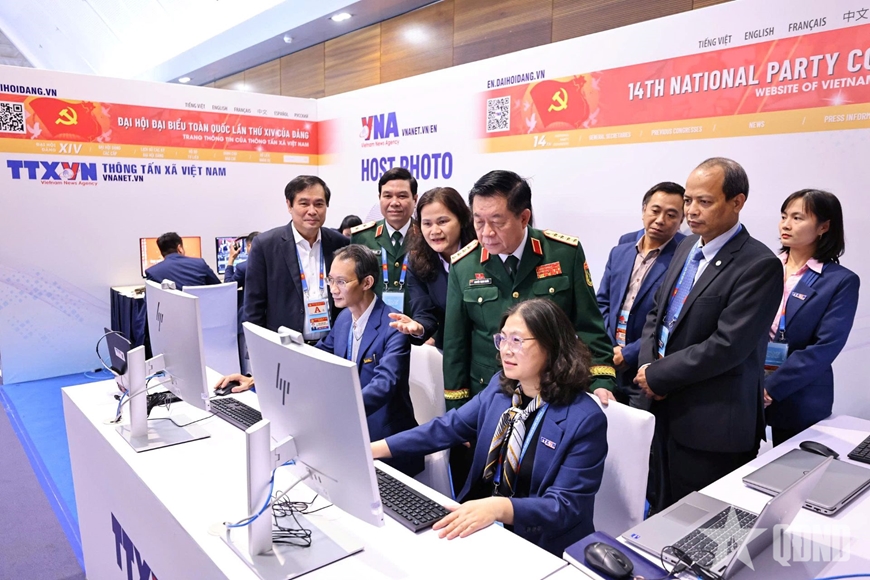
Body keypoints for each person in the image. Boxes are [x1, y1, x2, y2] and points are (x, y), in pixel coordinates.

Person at [371, 299, 607, 555]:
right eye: (502, 339)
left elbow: (564, 506)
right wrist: (373, 449)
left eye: (517, 341)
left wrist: (498, 508)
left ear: (551, 345)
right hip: (484, 527)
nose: (505, 350)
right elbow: (447, 428)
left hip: (540, 544)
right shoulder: (500, 388)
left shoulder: (584, 419)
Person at [634, 157, 782, 508]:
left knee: (701, 522)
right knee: (659, 510)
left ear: (737, 202)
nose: (691, 210)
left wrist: (659, 375)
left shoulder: (758, 264)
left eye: (704, 201)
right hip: (661, 410)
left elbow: (727, 345)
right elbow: (658, 314)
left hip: (711, 425)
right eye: (688, 200)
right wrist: (647, 369)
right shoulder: (687, 246)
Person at [218, 244, 421, 476]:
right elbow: (311, 359)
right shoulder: (344, 319)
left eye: (341, 282)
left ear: (367, 282)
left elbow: (384, 386)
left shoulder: (394, 326)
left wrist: (333, 411)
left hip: (385, 441)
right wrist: (256, 380)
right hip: (346, 434)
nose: (333, 289)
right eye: (330, 280)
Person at [443, 170, 617, 411]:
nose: (486, 232)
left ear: (524, 218)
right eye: (479, 221)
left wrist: (601, 382)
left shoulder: (564, 254)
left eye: (497, 222)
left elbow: (590, 328)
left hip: (553, 392)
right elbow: (455, 344)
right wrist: (457, 406)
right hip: (488, 396)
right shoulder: (464, 265)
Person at [764, 189, 860, 446]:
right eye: (784, 216)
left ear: (823, 227)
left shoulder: (839, 281)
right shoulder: (764, 267)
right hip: (746, 388)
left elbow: (825, 347)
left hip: (799, 395)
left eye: (797, 218)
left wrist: (771, 387)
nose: (786, 225)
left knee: (792, 465)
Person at [596, 182, 686, 407]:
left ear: (682, 220)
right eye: (655, 210)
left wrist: (630, 353)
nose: (660, 220)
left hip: (647, 369)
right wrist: (609, 347)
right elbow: (602, 302)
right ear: (644, 209)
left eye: (671, 215)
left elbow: (674, 319)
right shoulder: (620, 251)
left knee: (640, 428)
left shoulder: (684, 259)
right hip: (609, 362)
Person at [242, 175, 349, 339]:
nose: (312, 211)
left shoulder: (340, 243)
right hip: (285, 345)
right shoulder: (265, 246)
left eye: (319, 204)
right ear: (289, 205)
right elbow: (253, 307)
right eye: (304, 203)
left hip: (331, 345)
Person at [387, 187, 476, 350]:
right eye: (427, 224)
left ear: (462, 220)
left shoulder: (482, 255)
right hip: (450, 348)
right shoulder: (417, 262)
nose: (434, 231)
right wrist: (418, 327)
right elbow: (424, 313)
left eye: (442, 222)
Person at [350, 167, 418, 313]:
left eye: (402, 196)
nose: (394, 202)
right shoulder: (362, 237)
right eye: (387, 196)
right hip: (374, 321)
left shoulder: (425, 236)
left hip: (416, 321)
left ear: (415, 199)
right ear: (379, 198)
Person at [144, 232, 220, 288]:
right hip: (200, 305)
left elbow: (149, 301)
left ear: (161, 252)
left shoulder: (152, 272)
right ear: (179, 248)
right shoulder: (200, 263)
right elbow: (219, 288)